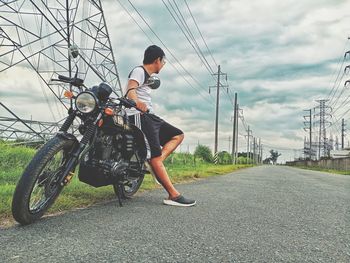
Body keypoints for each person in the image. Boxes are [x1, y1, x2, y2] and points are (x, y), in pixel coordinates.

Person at [125, 45, 196, 207]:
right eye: (163, 61)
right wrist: (136, 102)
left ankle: (155, 164)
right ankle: (173, 195)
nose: (163, 64)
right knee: (154, 156)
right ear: (157, 60)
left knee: (177, 135)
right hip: (138, 116)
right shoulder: (139, 71)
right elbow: (131, 89)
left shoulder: (148, 76)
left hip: (149, 116)